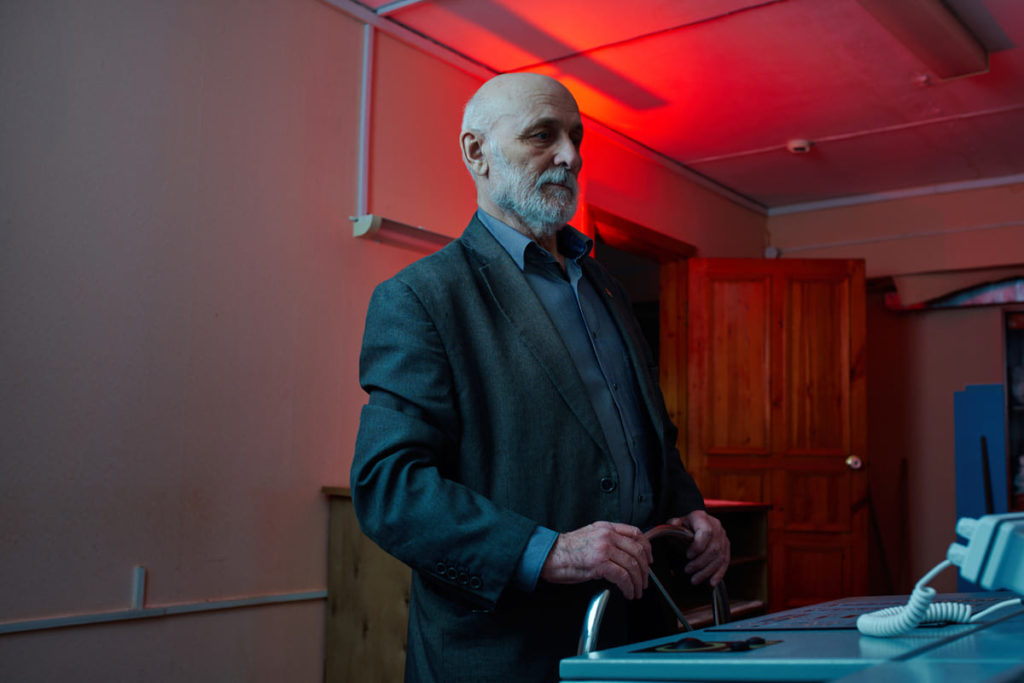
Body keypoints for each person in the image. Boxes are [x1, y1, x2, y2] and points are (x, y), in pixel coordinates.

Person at [351, 72, 729, 683]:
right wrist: (547, 551)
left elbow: (649, 436)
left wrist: (690, 512)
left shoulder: (608, 288)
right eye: (542, 135)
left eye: (576, 137)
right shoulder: (422, 297)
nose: (571, 156)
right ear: (477, 152)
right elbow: (389, 488)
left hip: (636, 632)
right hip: (506, 651)